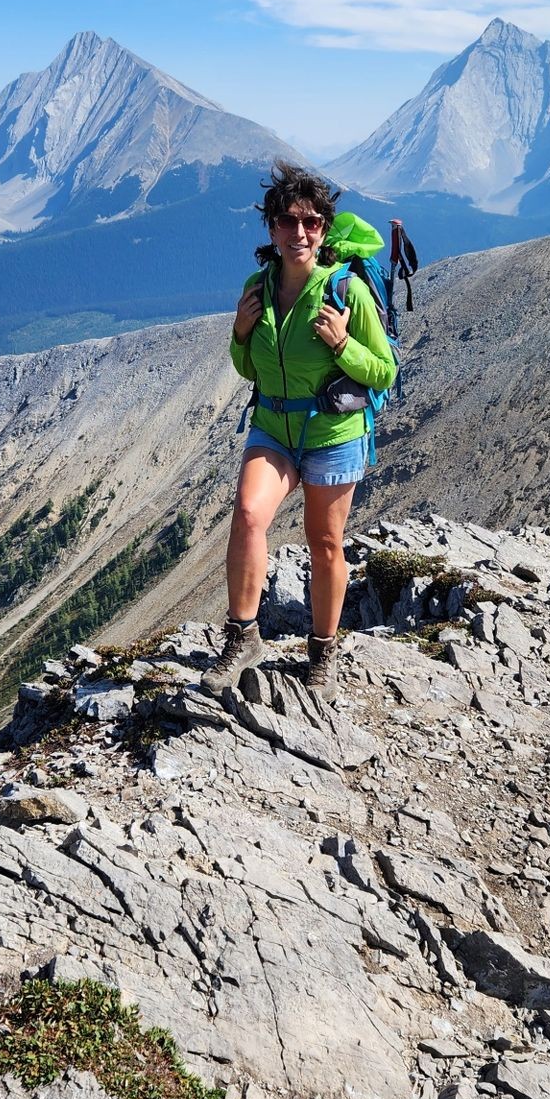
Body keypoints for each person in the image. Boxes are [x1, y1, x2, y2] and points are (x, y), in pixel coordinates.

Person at [204, 161, 398, 697]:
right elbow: (251, 368)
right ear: (271, 228)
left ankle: (323, 652)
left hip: (333, 433)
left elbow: (384, 371)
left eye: (311, 222)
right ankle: (242, 636)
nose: (299, 233)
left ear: (323, 229)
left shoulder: (345, 292)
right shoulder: (257, 289)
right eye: (288, 221)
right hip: (273, 426)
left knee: (325, 543)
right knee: (247, 515)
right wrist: (241, 333)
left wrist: (342, 344)